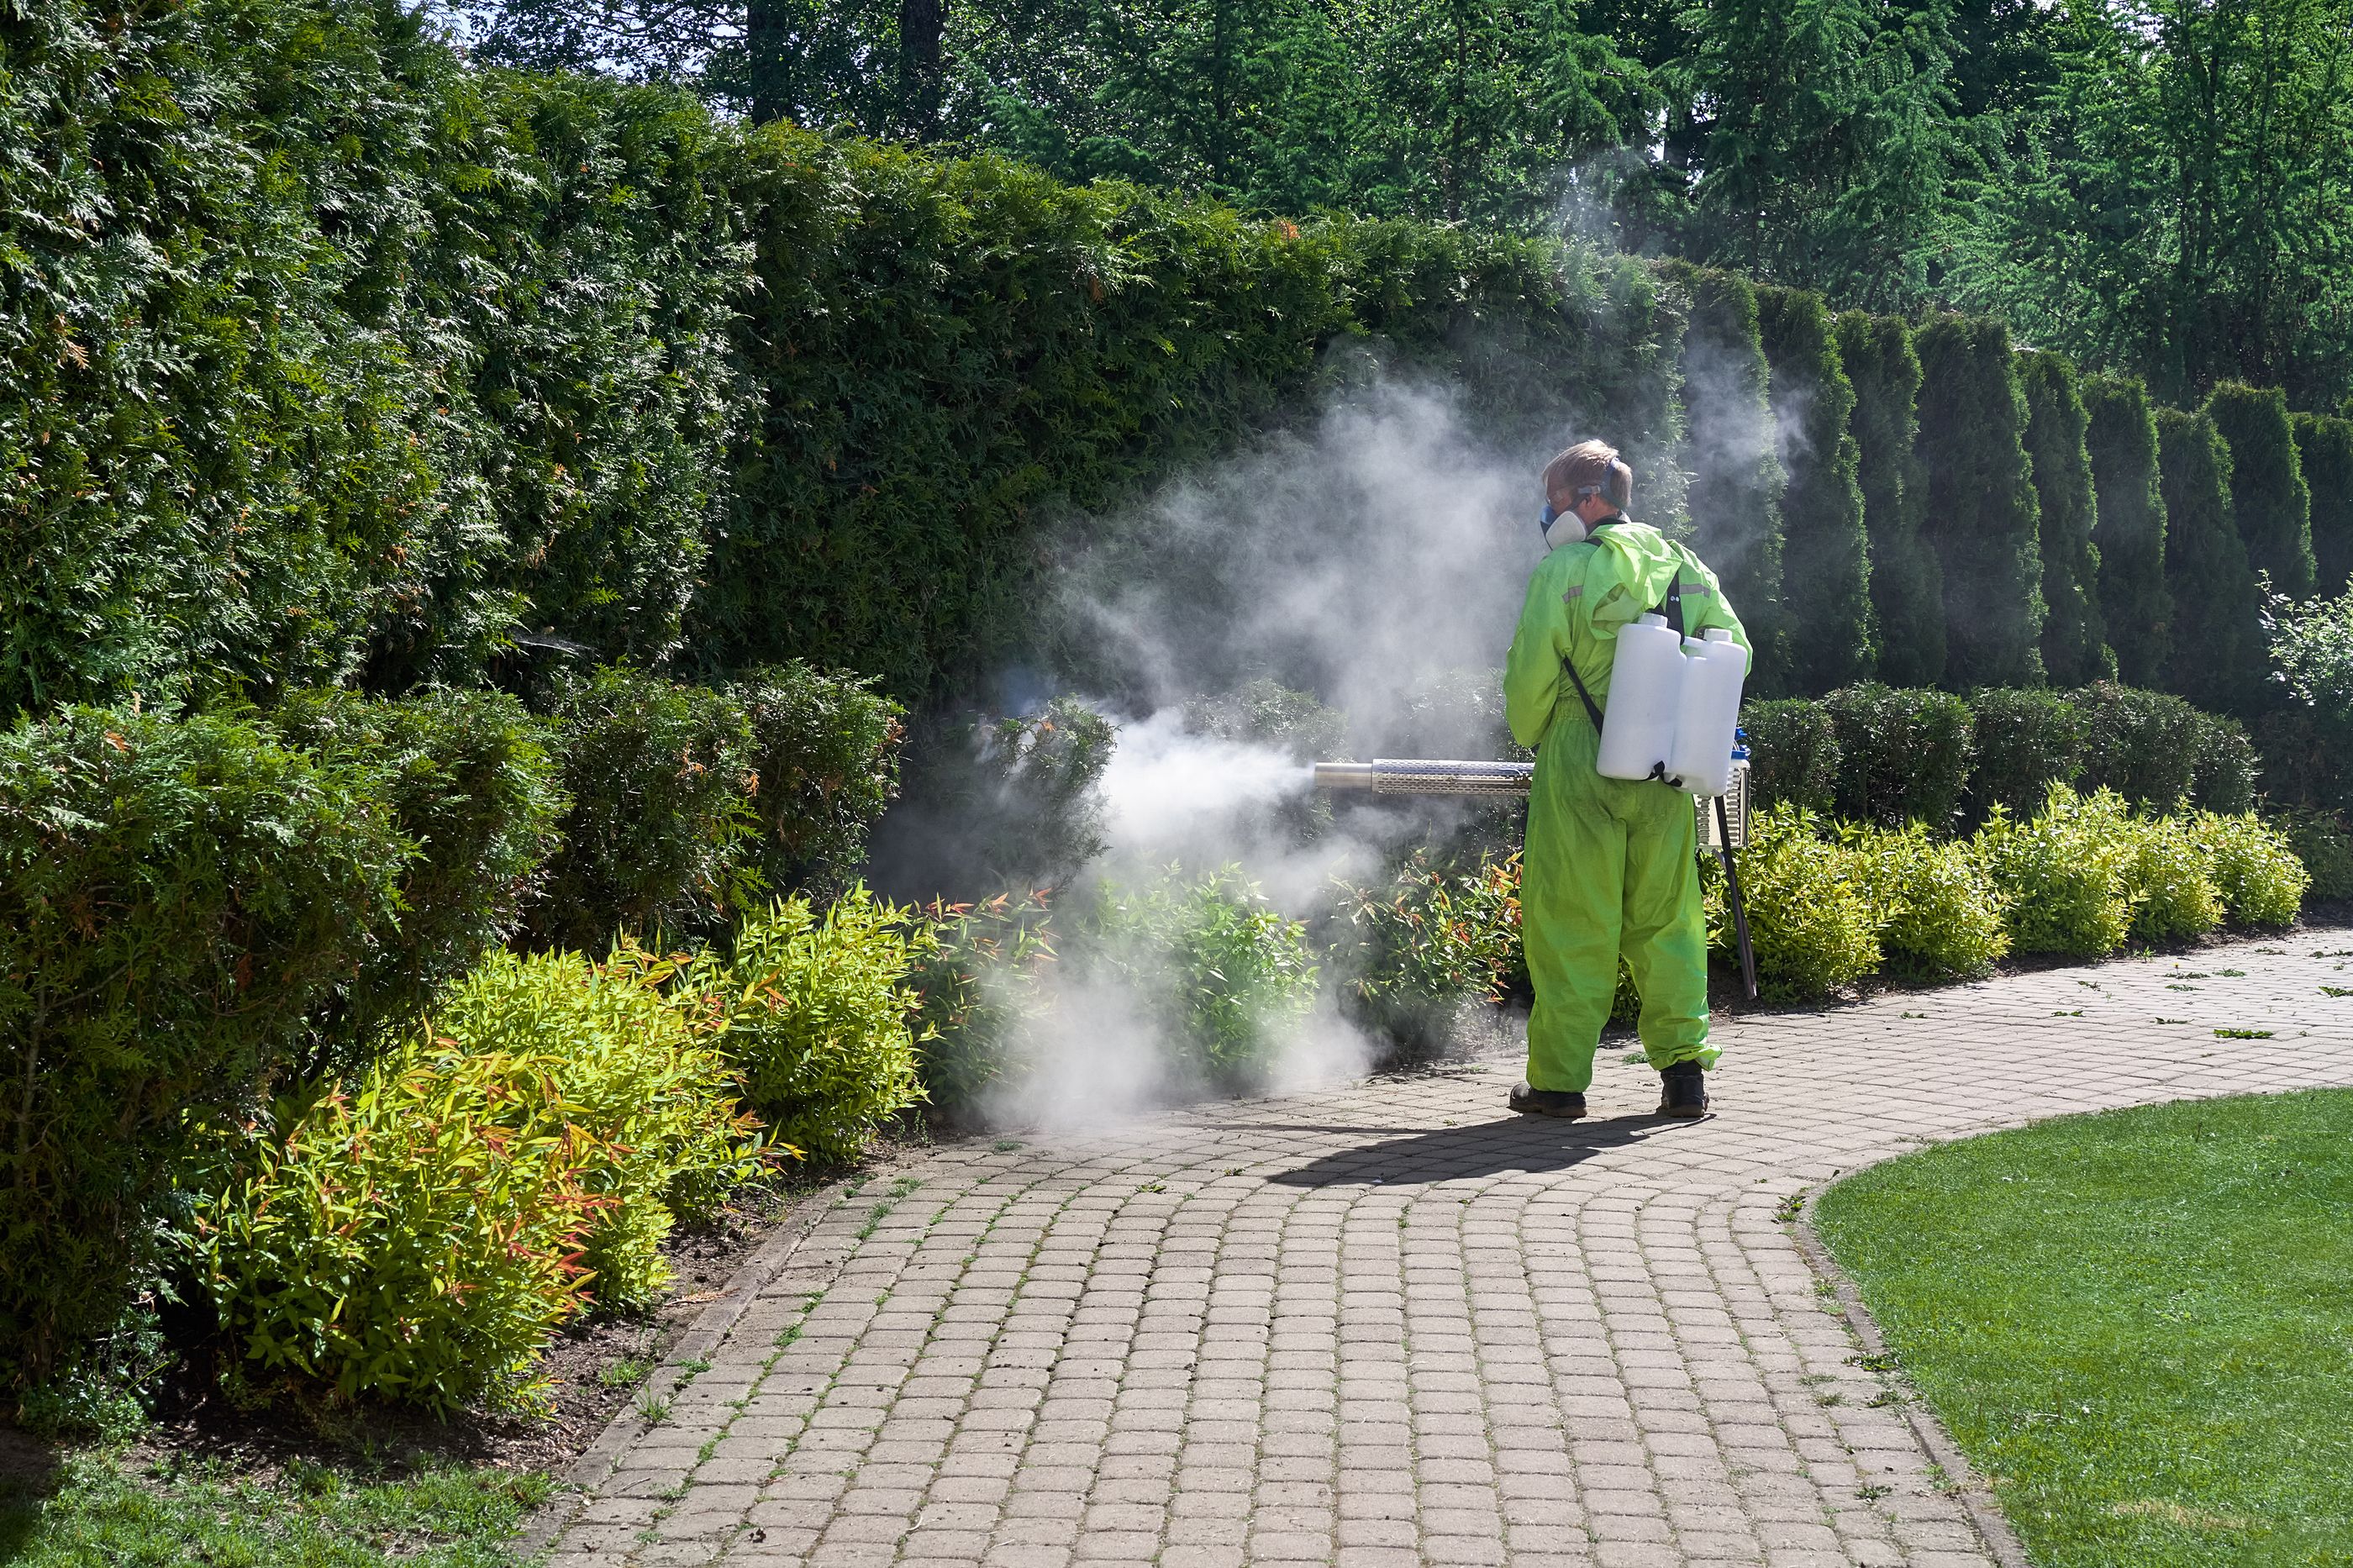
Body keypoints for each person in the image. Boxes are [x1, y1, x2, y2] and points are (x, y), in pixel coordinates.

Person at [1502, 440, 1751, 1119]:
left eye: (1554, 499)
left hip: (1582, 761)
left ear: (1587, 501)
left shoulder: (1565, 571)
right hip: (1665, 766)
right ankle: (1684, 1077)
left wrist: (1532, 731)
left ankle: (1557, 1084)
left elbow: (1530, 678)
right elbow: (1736, 649)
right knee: (1667, 923)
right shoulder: (1684, 566)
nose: (1548, 512)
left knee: (1573, 922)